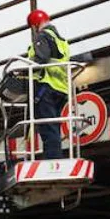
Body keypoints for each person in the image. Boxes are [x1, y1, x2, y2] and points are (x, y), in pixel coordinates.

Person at [26, 9, 71, 160]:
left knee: (48, 129)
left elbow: (42, 58)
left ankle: (53, 163)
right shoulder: (62, 41)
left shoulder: (42, 36)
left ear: (35, 25)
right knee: (54, 129)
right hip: (61, 89)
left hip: (46, 88)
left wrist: (25, 71)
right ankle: (56, 159)